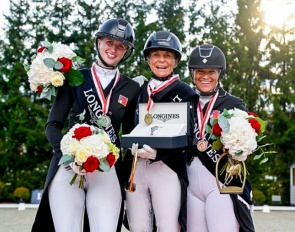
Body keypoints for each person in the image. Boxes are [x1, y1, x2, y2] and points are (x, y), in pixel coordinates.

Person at [31, 18, 141, 232]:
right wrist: (69, 154)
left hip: (107, 169)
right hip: (68, 165)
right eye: (109, 42)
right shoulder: (75, 78)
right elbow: (52, 125)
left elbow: (129, 137)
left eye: (120, 46)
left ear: (126, 51)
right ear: (99, 42)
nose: (113, 49)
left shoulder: (131, 88)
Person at [123, 31, 198, 232]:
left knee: (167, 226)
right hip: (137, 168)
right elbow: (128, 128)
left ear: (175, 61)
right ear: (148, 60)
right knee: (138, 226)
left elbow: (190, 138)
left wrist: (159, 153)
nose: (161, 60)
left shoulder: (186, 93)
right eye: (156, 55)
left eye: (167, 56)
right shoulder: (138, 90)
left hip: (167, 167)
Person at [186, 44, 255, 232]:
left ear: (220, 74)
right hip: (191, 187)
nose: (205, 76)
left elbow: (244, 148)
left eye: (212, 71)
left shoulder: (233, 104)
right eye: (200, 71)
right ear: (192, 73)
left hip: (220, 185)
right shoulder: (185, 102)